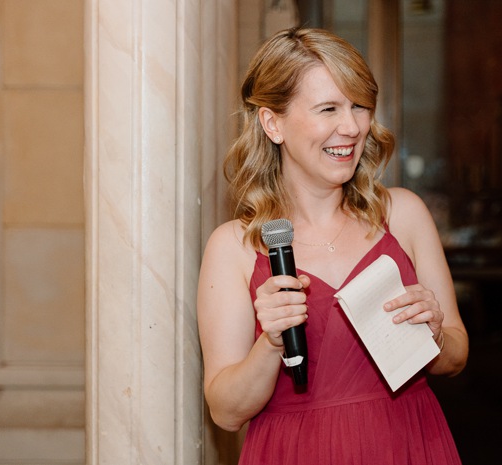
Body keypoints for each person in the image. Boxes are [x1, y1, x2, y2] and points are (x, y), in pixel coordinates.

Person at [197, 27, 469, 465]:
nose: (352, 126)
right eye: (328, 108)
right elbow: (226, 412)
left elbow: (456, 355)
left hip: (409, 445)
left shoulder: (404, 215)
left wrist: (434, 332)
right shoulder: (232, 246)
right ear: (273, 123)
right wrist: (270, 342)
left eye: (358, 106)